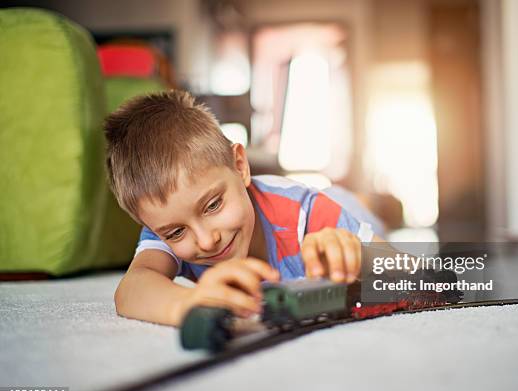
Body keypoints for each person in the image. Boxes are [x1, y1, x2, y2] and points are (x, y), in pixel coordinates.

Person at [104, 90, 384, 326]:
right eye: (177, 232)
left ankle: (363, 201)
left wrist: (358, 256)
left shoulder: (306, 213)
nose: (206, 240)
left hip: (338, 204)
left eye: (213, 205)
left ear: (240, 166)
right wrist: (188, 303)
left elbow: (421, 275)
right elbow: (132, 288)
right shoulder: (166, 221)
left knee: (362, 209)